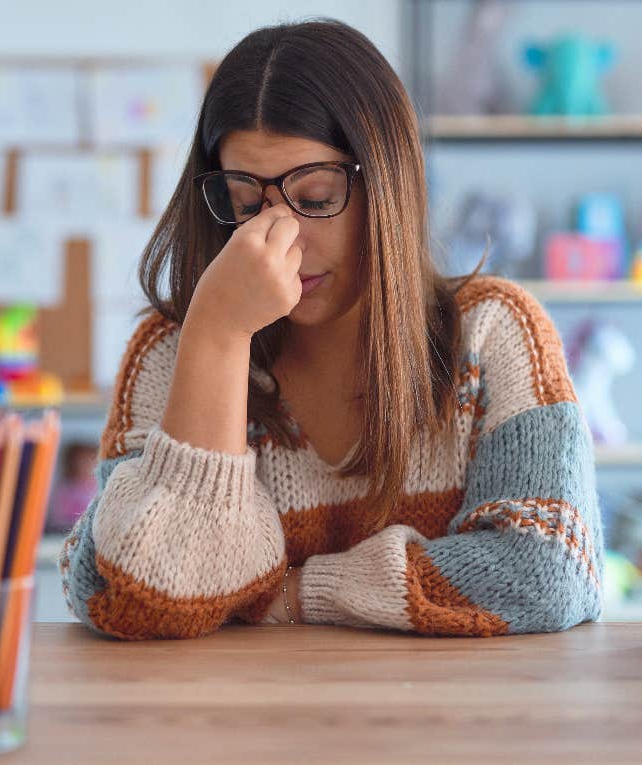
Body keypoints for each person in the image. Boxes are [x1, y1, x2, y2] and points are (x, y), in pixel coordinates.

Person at [59, 19, 601, 640]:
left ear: (388, 186)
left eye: (315, 199)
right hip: (240, 728)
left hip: (453, 730)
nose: (277, 238)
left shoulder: (494, 330)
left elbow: (547, 570)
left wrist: (289, 594)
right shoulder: (175, 349)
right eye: (245, 203)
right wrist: (217, 337)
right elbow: (125, 595)